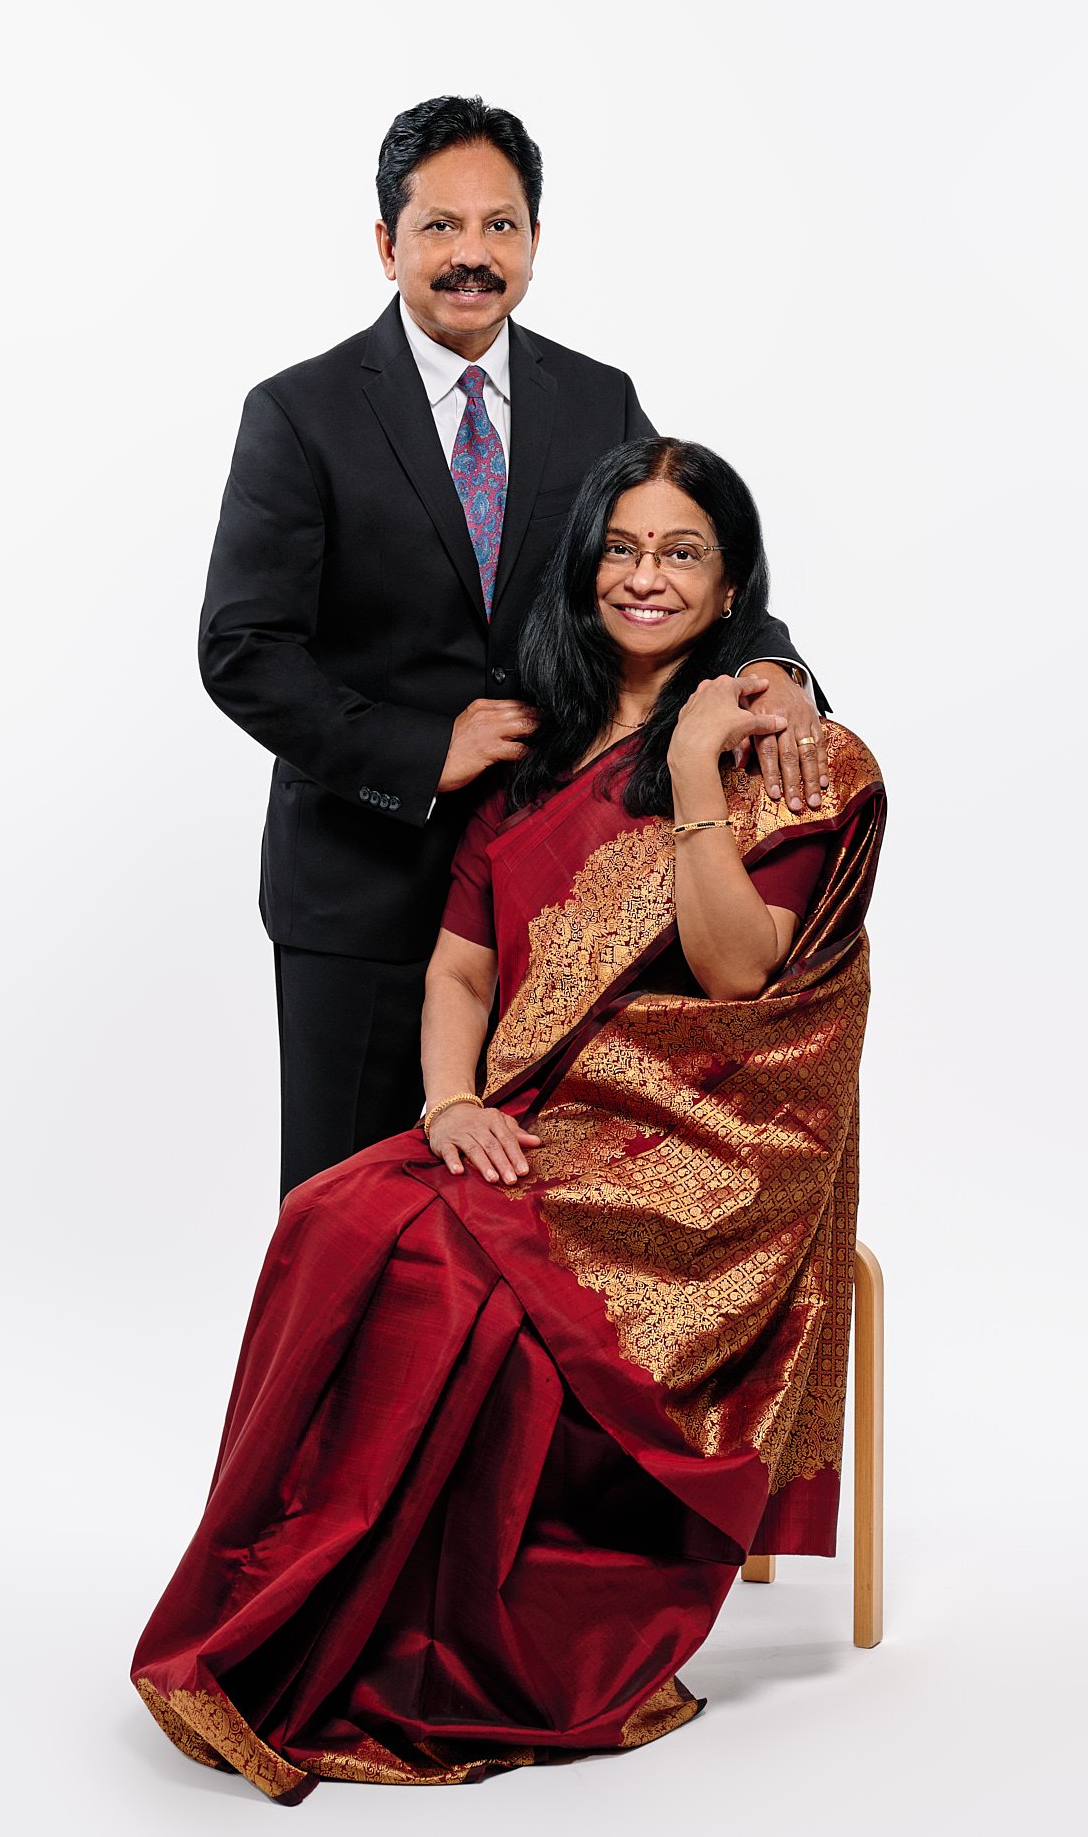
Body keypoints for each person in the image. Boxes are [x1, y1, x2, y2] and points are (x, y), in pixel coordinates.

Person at [132, 438, 885, 1803]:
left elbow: (735, 972)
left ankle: (427, 1645)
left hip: (713, 1143)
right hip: (546, 1109)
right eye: (623, 546)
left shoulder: (788, 749)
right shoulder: (538, 750)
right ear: (587, 562)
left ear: (730, 588)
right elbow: (463, 966)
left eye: (681, 552)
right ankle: (281, 1607)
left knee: (439, 1261)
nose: (645, 575)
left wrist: (703, 777)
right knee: (336, 1209)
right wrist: (454, 1096)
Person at [197, 95, 830, 1196]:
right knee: (350, 1215)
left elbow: (670, 557)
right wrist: (418, 751)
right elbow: (242, 648)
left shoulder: (596, 399)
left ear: (536, 241)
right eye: (440, 227)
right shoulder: (299, 415)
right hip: (361, 892)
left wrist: (773, 663)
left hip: (559, 891)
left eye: (501, 226)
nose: (472, 256)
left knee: (528, 1230)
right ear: (387, 244)